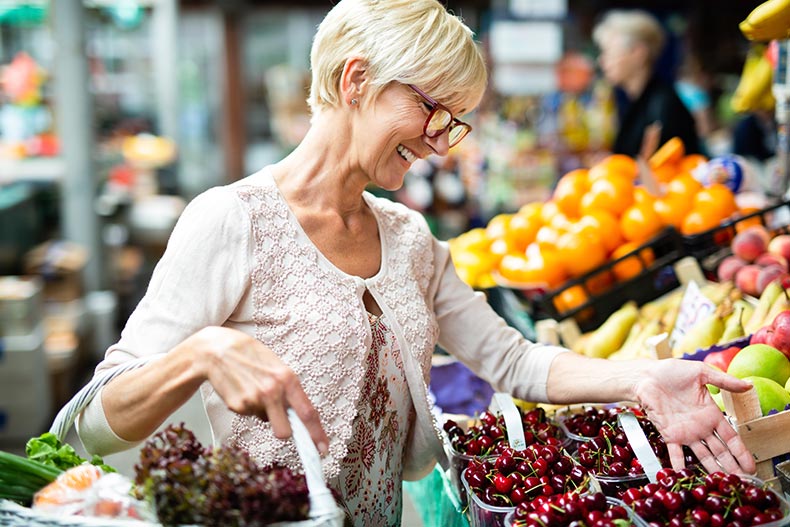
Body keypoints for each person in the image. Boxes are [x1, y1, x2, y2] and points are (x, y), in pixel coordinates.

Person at [76, 0, 755, 524]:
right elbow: (95, 421)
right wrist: (200, 353)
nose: (441, 143)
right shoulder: (232, 221)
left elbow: (513, 360)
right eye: (433, 110)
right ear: (356, 79)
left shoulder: (409, 238)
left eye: (453, 121)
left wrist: (640, 380)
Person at [593, 9, 702, 158]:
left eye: (609, 52)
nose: (602, 61)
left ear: (638, 53)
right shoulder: (639, 102)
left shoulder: (662, 106)